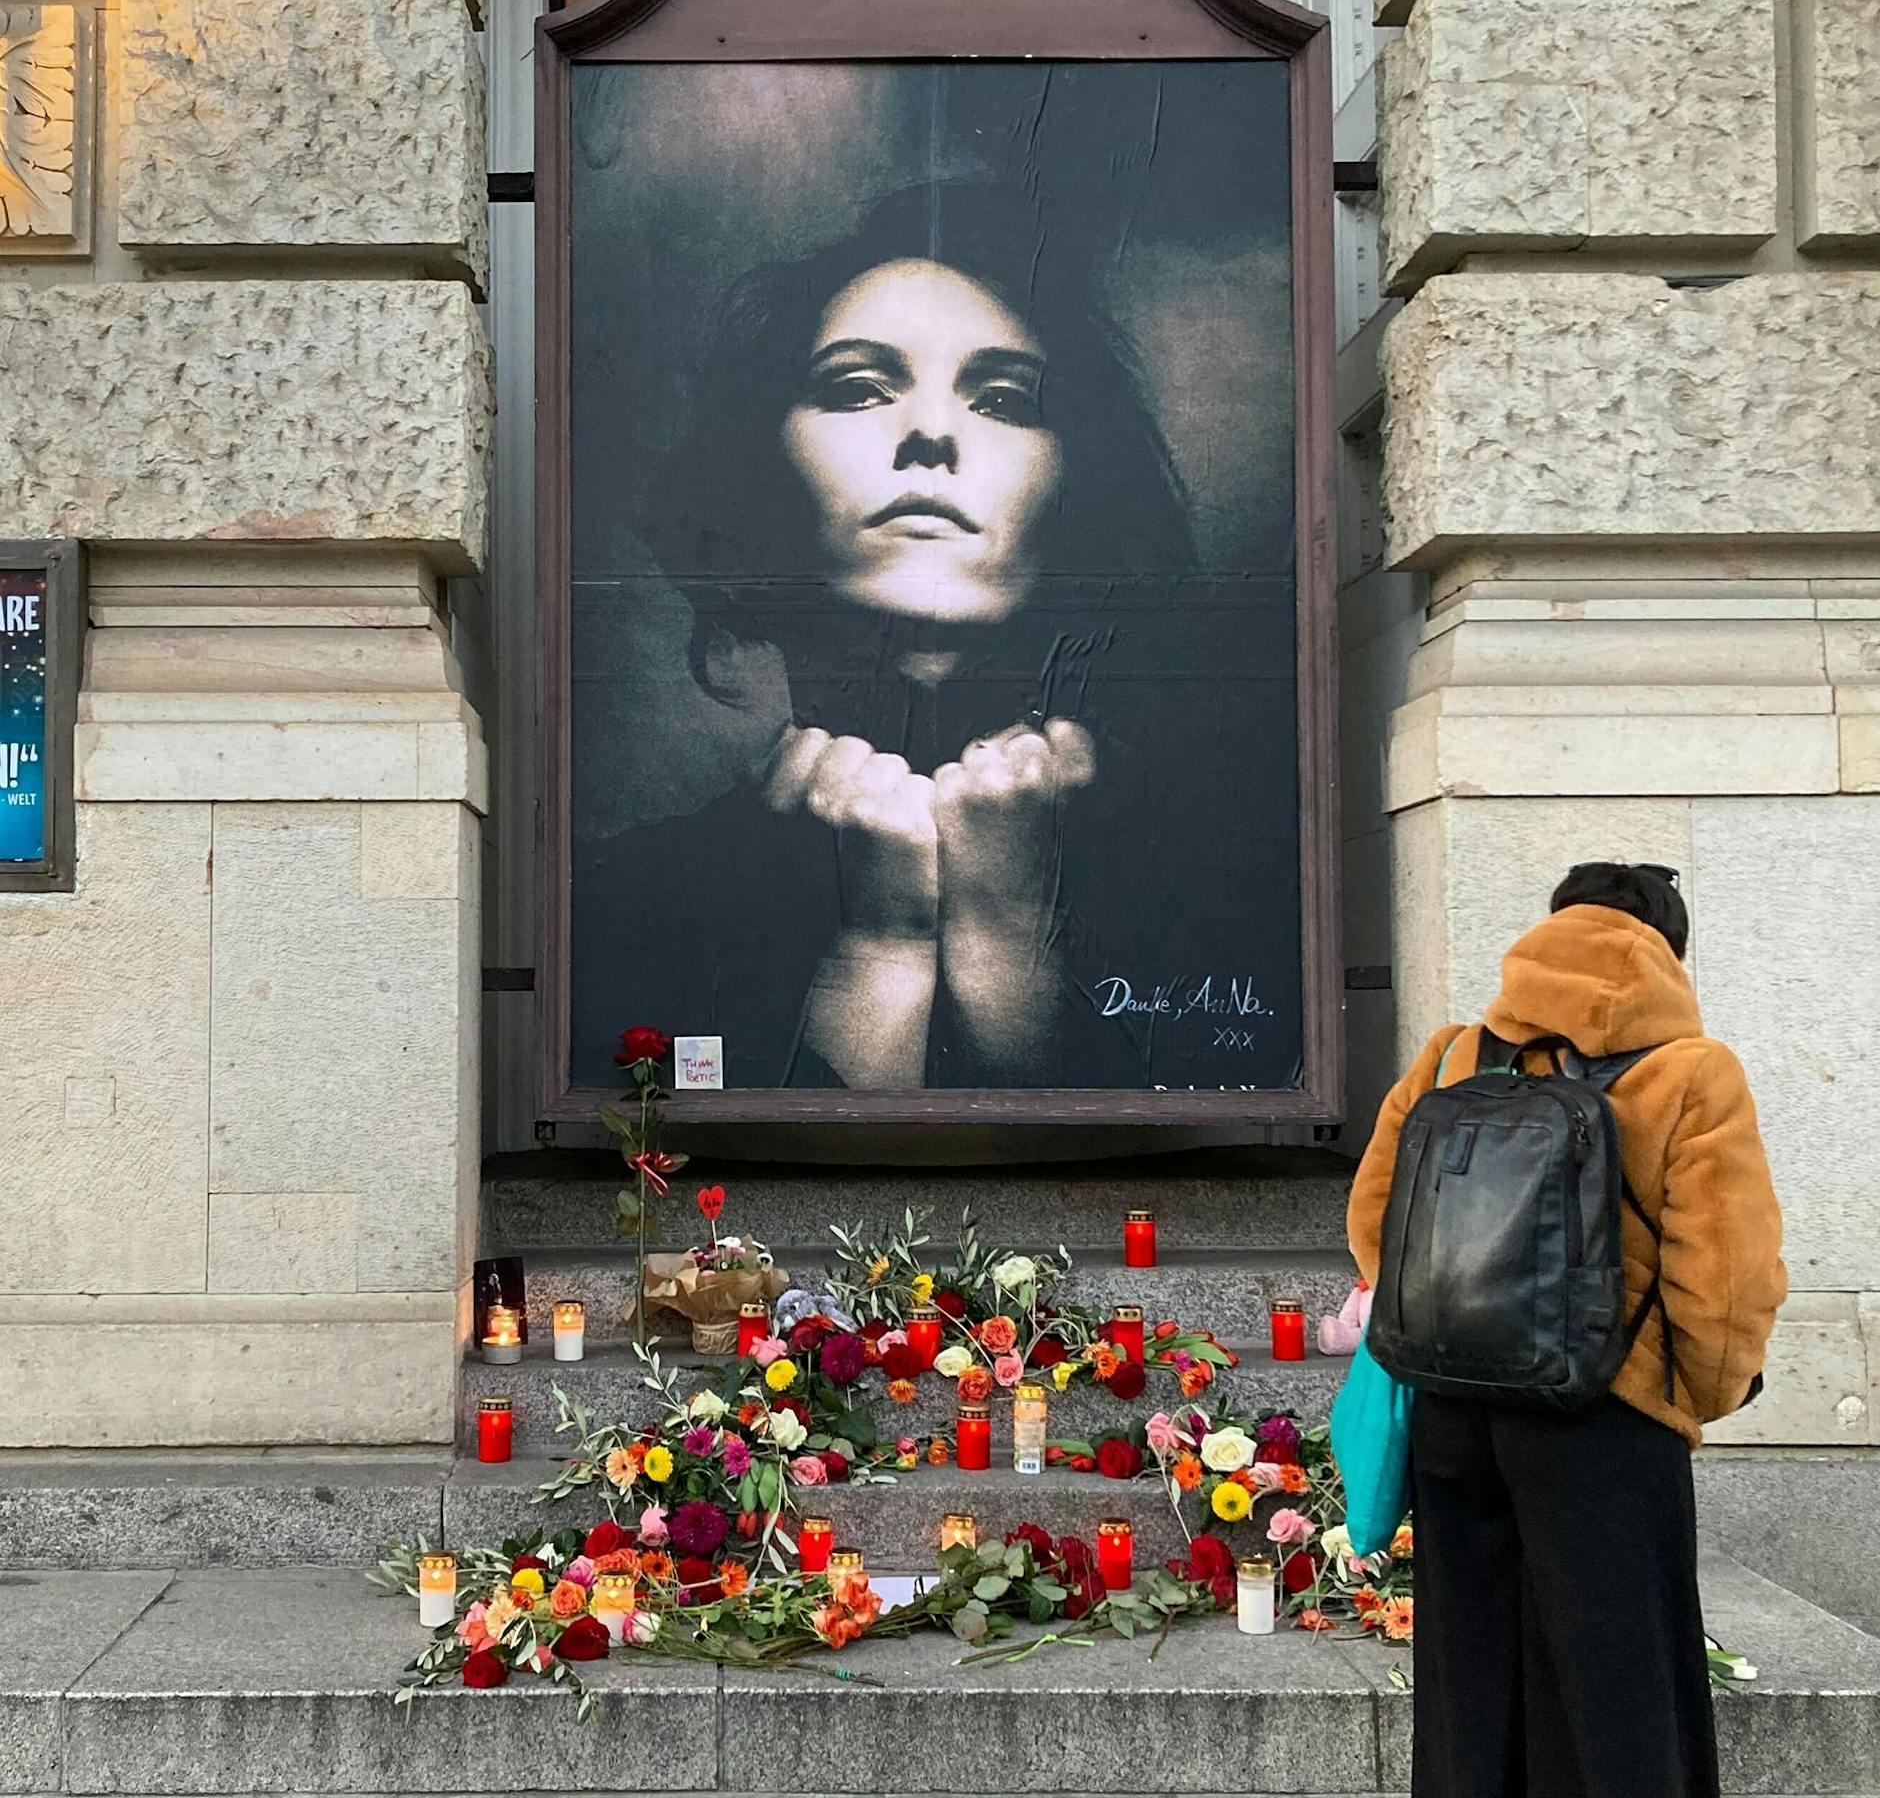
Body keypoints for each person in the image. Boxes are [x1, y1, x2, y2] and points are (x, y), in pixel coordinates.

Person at [574, 180, 1299, 1091]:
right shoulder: (618, 906)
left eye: (999, 400)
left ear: (1078, 486)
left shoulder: (1240, 884)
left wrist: (1006, 938)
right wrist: (877, 954)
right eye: (857, 387)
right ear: (758, 473)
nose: (929, 433)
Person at [1347, 861, 1786, 1798]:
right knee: (1621, 1701)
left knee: (1471, 1685)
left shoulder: (1454, 1055)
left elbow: (1376, 1217)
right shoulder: (1691, 1073)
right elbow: (1727, 1277)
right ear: (1669, 951)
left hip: (1458, 1411)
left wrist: (1455, 1327)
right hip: (1604, 1418)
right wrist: (1692, 1392)